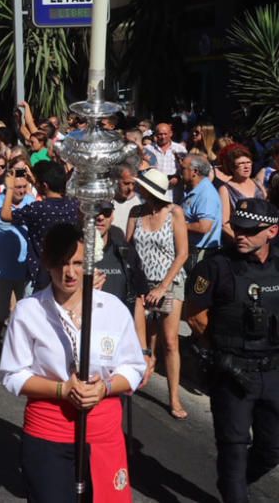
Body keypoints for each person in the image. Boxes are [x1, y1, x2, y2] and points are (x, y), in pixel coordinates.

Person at [0, 223, 146, 502]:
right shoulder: (29, 311)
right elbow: (12, 374)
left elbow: (133, 367)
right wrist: (61, 390)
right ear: (47, 263)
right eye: (61, 263)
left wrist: (105, 387)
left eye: (78, 263)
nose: (69, 272)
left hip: (102, 432)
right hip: (49, 432)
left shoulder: (112, 308)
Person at [184, 198, 279, 503]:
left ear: (272, 232)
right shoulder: (215, 266)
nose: (241, 234)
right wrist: (221, 351)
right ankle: (234, 487)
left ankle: (232, 481)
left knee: (272, 448)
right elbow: (196, 317)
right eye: (237, 228)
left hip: (273, 369)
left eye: (250, 230)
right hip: (232, 371)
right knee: (234, 448)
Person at [129, 168, 190, 420]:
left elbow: (183, 253)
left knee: (170, 340)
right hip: (142, 282)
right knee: (138, 337)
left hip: (170, 281)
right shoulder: (136, 212)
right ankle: (136, 373)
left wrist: (163, 286)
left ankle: (174, 398)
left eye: (140, 186)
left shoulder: (174, 212)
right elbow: (128, 246)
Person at [1, 160, 79, 292]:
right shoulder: (73, 205)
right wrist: (36, 183)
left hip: (40, 275)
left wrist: (9, 188)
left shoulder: (37, 209)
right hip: (67, 271)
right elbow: (52, 198)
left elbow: (6, 215)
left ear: (44, 185)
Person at [0, 171, 33, 344]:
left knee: (26, 315)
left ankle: (18, 349)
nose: (22, 191)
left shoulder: (31, 202)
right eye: (17, 187)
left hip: (26, 271)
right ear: (9, 187)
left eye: (24, 187)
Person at [182, 153, 223, 270]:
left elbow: (204, 227)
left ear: (194, 171)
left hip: (201, 253)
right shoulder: (195, 190)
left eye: (183, 168)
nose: (180, 171)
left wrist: (179, 225)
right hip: (194, 250)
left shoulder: (206, 194)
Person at [219, 145, 267, 242]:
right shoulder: (225, 189)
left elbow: (267, 212)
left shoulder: (258, 184)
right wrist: (239, 240)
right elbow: (224, 223)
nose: (246, 167)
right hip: (241, 239)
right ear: (232, 167)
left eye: (248, 162)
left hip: (262, 239)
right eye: (241, 163)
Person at [111, 164, 141, 234]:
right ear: (116, 181)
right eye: (126, 183)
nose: (130, 188)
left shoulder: (138, 202)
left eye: (133, 184)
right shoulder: (106, 200)